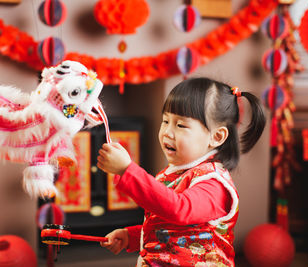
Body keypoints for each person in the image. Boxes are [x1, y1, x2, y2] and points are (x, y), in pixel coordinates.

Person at [97, 77, 266, 267]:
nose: (167, 132)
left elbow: (179, 209)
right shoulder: (173, 174)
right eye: (165, 121)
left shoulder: (214, 183)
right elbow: (173, 228)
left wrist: (127, 170)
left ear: (216, 137)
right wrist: (133, 236)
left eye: (180, 125)